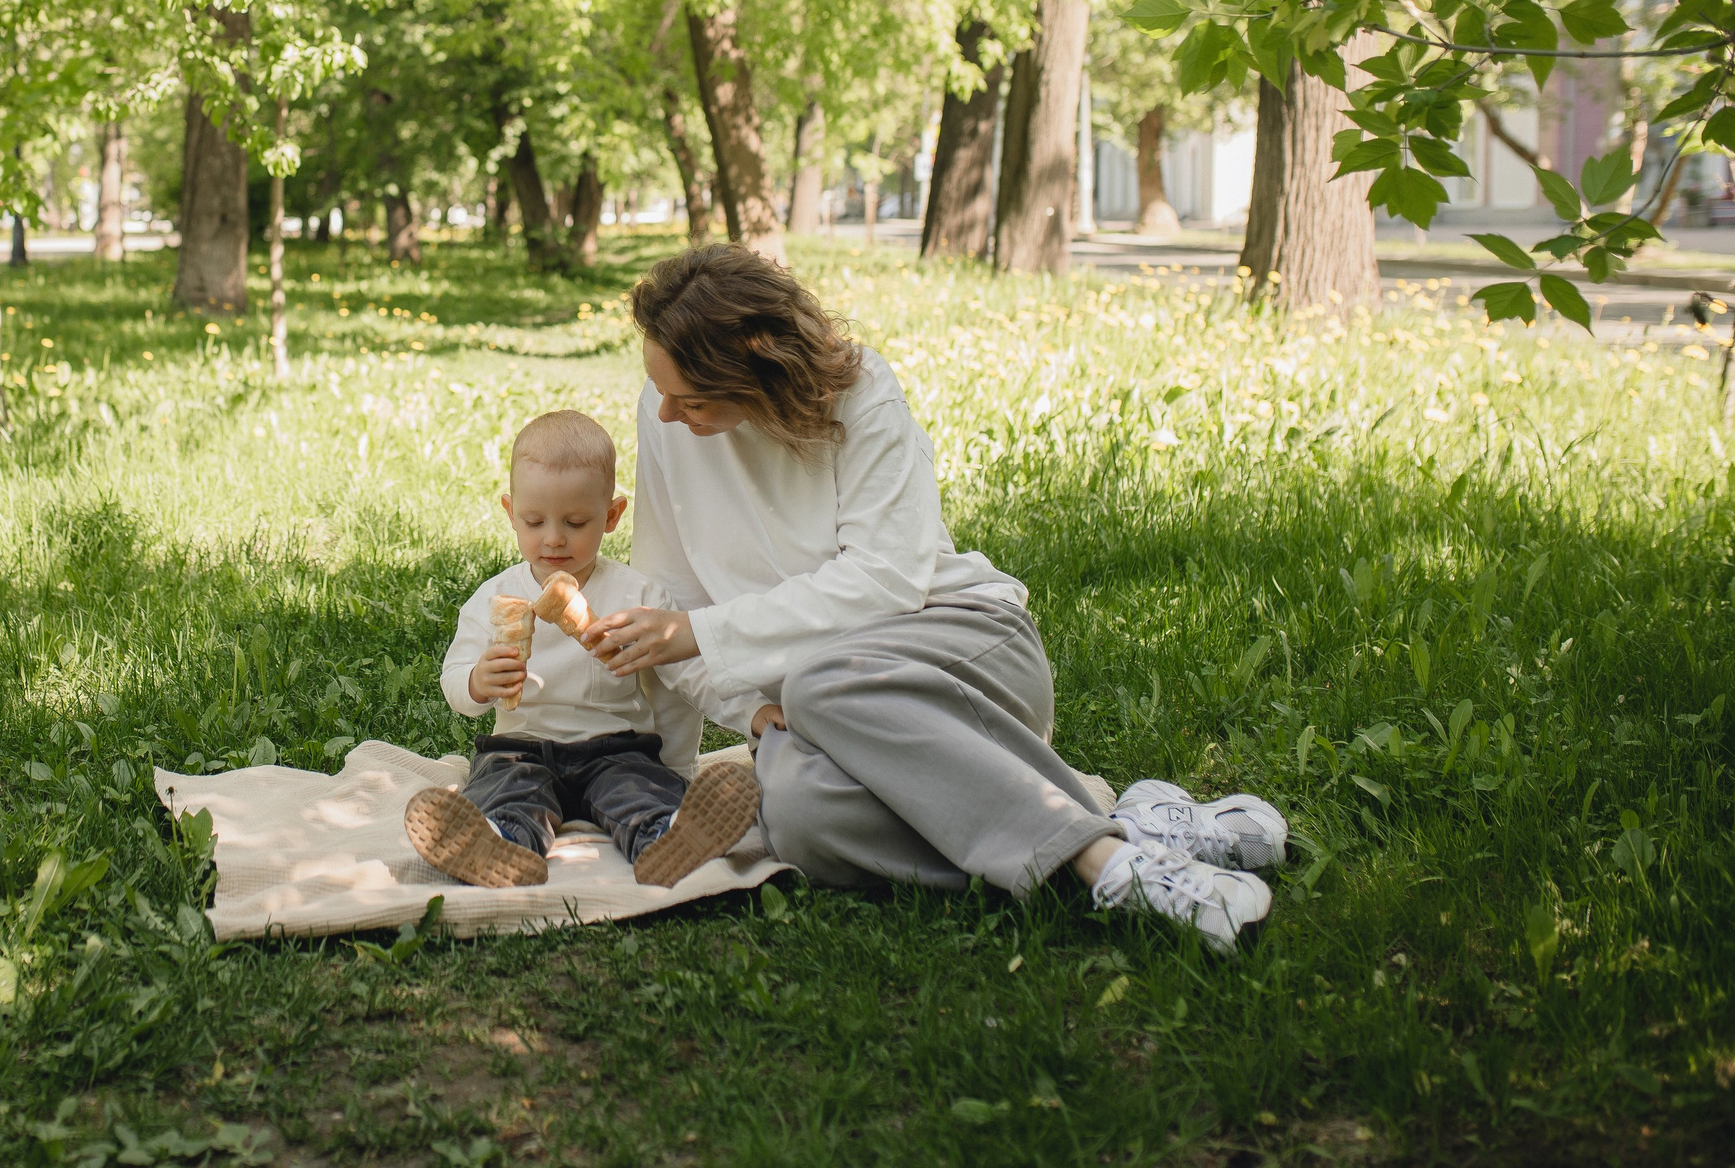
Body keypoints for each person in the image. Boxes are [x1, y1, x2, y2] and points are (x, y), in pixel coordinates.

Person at [581, 246, 1287, 949]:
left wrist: (702, 634)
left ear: (758, 370)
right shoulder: (664, 412)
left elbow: (883, 581)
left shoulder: (861, 394)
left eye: (692, 398)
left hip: (963, 653)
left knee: (819, 683)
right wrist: (746, 709)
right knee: (797, 816)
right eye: (660, 390)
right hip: (826, 715)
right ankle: (1123, 837)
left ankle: (1103, 862)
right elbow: (671, 594)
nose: (666, 413)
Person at [405, 409, 762, 889]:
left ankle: (667, 837)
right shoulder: (495, 599)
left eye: (576, 522)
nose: (554, 539)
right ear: (510, 513)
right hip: (522, 748)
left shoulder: (638, 595)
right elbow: (454, 681)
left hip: (616, 748)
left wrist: (750, 713)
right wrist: (477, 681)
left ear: (611, 516)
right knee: (507, 789)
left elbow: (687, 674)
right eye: (534, 521)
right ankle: (498, 842)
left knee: (640, 790)